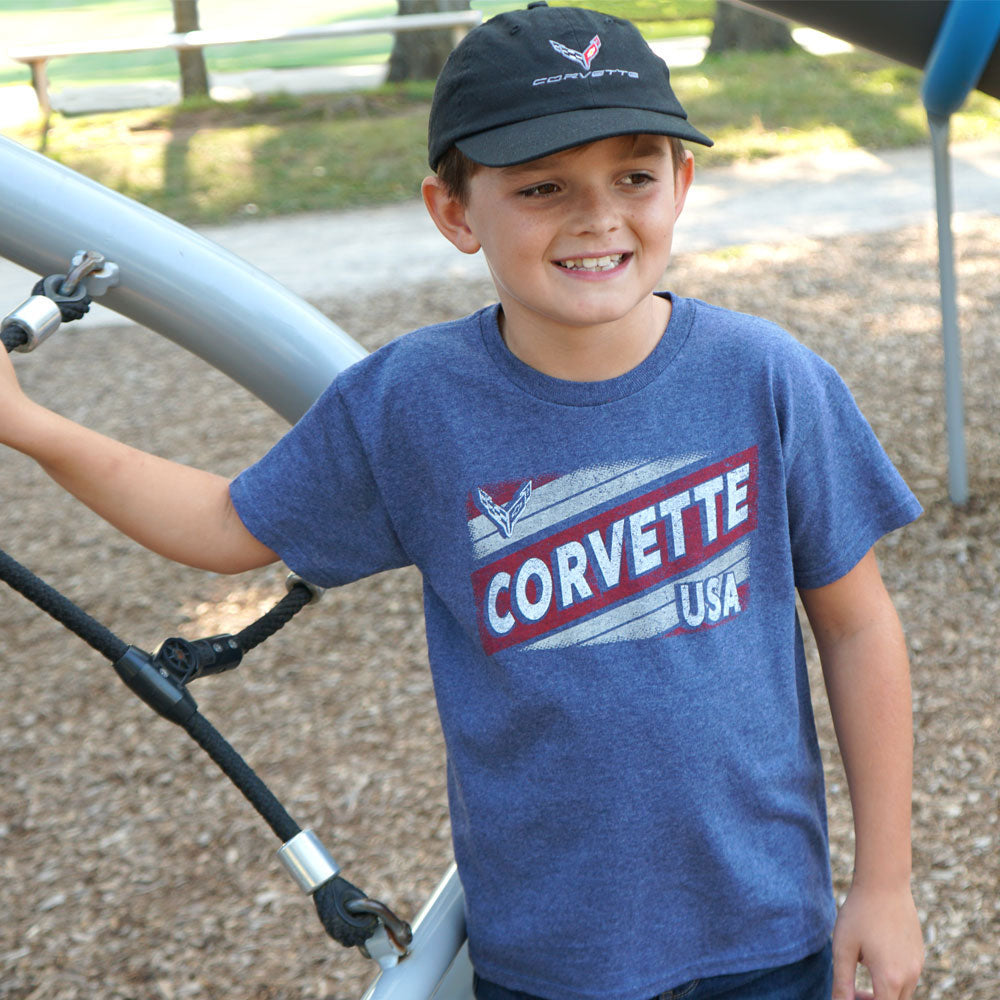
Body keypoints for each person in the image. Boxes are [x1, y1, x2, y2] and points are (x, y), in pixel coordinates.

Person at [0, 4, 924, 999]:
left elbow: (859, 625)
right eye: (540, 186)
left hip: (763, 932)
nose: (597, 215)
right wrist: (32, 424)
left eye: (634, 175)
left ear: (681, 183)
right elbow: (225, 525)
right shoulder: (413, 405)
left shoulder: (767, 379)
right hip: (550, 958)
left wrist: (885, 881)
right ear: (453, 211)